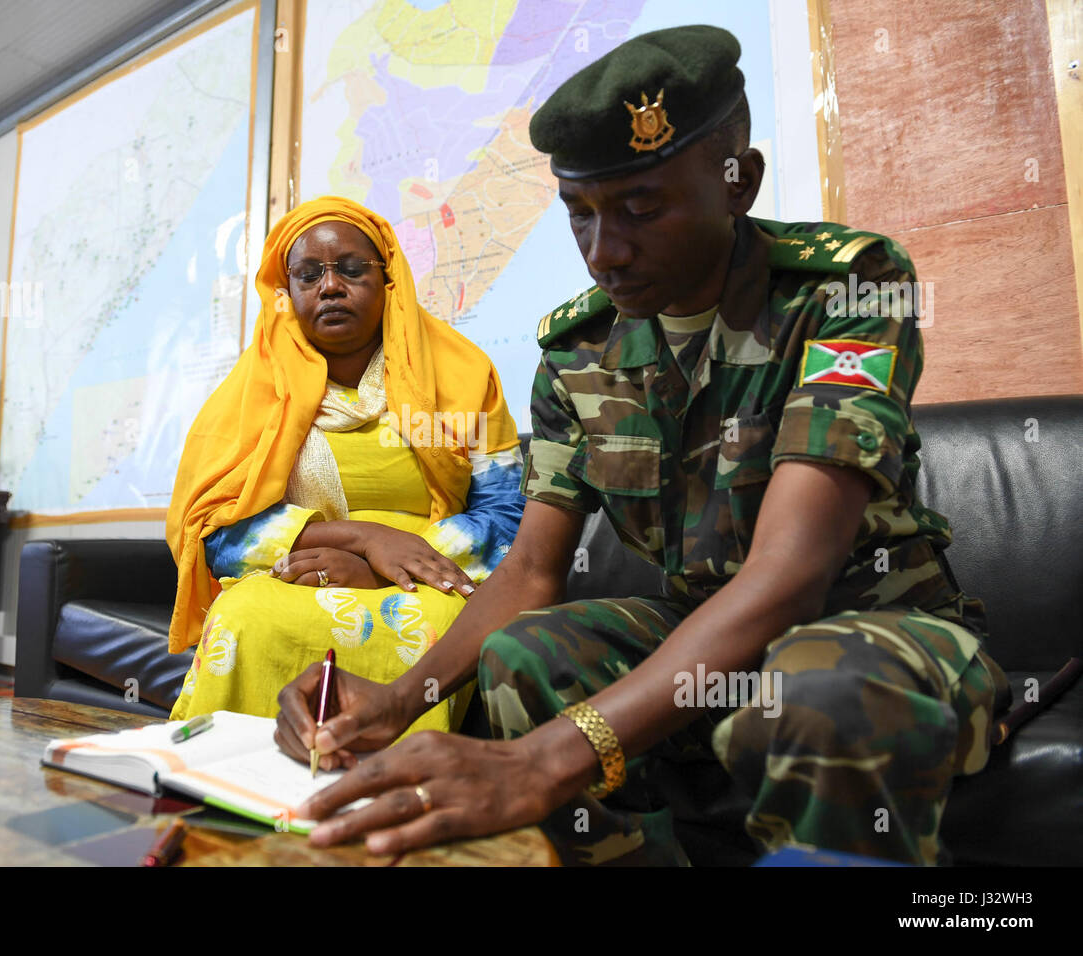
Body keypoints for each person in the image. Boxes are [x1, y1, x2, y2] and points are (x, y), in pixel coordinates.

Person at [273, 25, 1009, 865]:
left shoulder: (845, 289)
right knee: (525, 652)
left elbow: (789, 578)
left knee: (812, 685)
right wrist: (399, 699)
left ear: (740, 183)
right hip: (696, 634)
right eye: (579, 215)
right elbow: (530, 572)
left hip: (869, 626)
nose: (604, 252)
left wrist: (541, 760)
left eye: (641, 209)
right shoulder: (578, 351)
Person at [167, 196, 524, 735]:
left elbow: (509, 514)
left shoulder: (461, 373)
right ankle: (229, 787)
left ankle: (389, 802)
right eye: (308, 275)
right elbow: (213, 532)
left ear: (388, 280)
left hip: (427, 582)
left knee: (425, 627)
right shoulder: (251, 394)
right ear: (286, 295)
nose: (330, 287)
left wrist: (387, 568)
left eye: (353, 269)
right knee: (244, 618)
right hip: (298, 570)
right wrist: (361, 539)